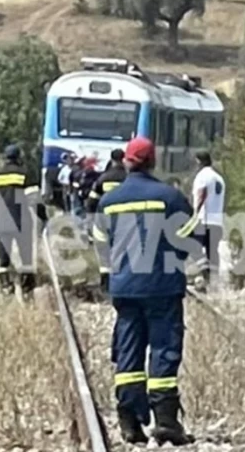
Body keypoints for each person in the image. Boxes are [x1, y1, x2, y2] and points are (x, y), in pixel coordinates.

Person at [91, 137, 200, 446]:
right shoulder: (169, 196)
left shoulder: (109, 201)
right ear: (153, 162)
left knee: (128, 347)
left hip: (125, 286)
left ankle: (129, 420)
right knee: (164, 346)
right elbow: (190, 237)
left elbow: (100, 241)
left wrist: (112, 269)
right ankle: (165, 419)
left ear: (126, 162)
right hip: (161, 285)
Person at [0, 144, 47, 296]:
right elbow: (35, 199)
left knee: (3, 258)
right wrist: (43, 218)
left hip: (0, 221)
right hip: (21, 220)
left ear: (5, 158)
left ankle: (6, 289)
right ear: (19, 157)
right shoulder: (24, 174)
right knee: (26, 256)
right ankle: (28, 290)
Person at [86, 149, 127, 291]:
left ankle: (105, 284)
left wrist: (91, 219)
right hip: (125, 219)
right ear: (124, 159)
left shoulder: (103, 178)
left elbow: (91, 202)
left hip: (104, 218)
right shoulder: (127, 177)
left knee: (104, 251)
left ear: (112, 159)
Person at [191, 151, 226, 291]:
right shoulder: (219, 178)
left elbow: (201, 194)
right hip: (217, 221)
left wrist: (194, 213)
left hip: (203, 219)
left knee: (192, 245)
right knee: (213, 251)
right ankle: (213, 280)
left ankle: (202, 273)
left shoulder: (202, 177)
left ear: (199, 161)